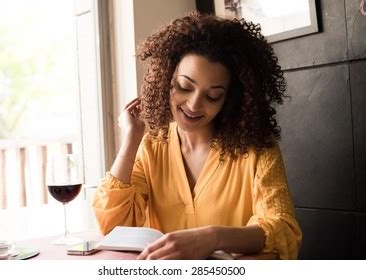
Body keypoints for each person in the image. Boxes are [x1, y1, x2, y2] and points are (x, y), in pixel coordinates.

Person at [92, 11, 302, 260]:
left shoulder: (257, 148)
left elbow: (281, 229)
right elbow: (113, 224)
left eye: (212, 96)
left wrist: (213, 237)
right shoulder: (153, 146)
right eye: (184, 86)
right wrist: (131, 139)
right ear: (166, 78)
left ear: (231, 98)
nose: (193, 105)